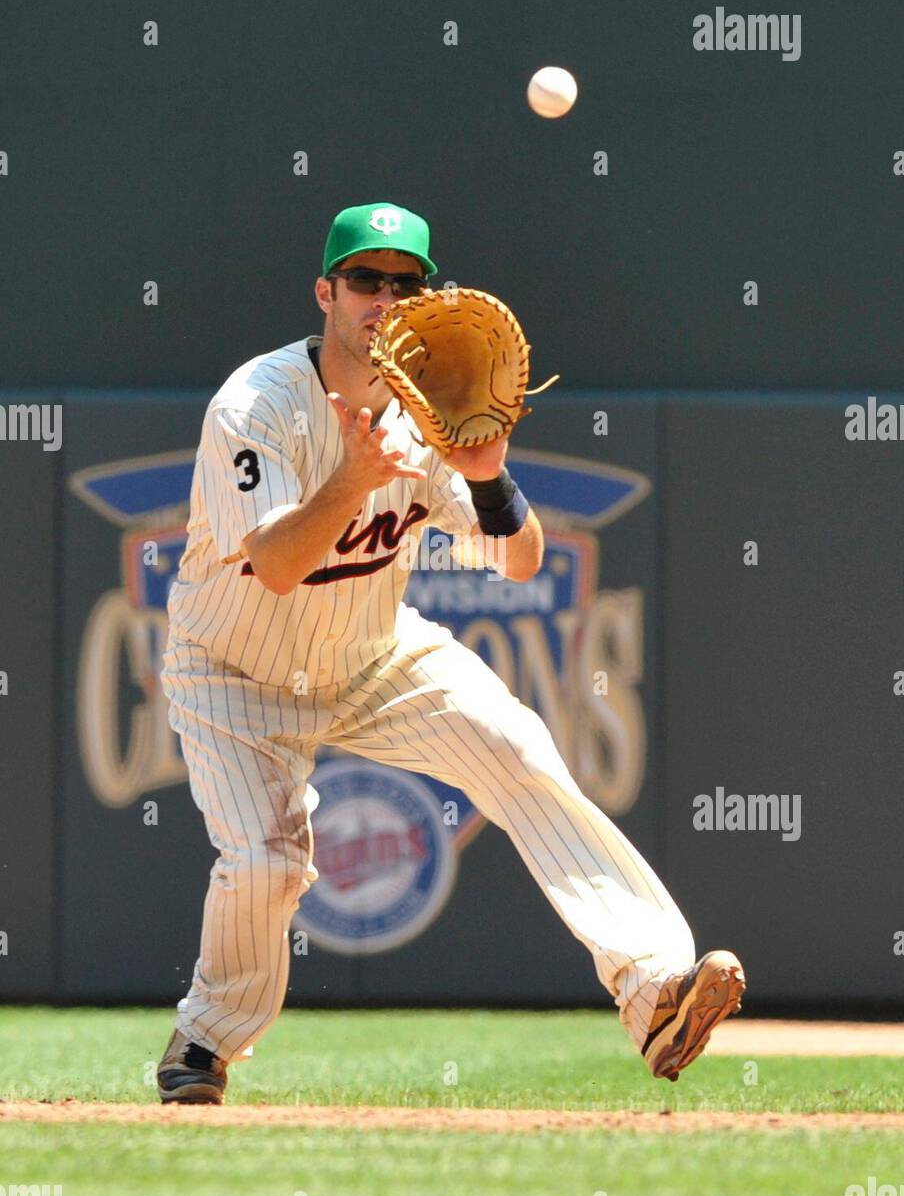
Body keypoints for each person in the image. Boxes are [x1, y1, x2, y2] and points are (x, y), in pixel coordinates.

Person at [156, 200, 745, 1104]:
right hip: (232, 667)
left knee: (518, 752)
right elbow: (273, 565)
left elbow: (519, 560)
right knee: (270, 865)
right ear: (325, 291)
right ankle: (203, 1044)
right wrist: (353, 478)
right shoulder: (256, 403)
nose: (384, 298)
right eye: (365, 280)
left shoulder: (429, 406)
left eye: (405, 282)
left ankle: (656, 987)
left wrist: (486, 474)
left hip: (371, 655)